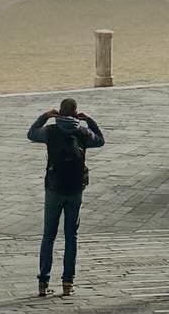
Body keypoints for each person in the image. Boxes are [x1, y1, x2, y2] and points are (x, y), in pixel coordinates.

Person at [28, 97, 105, 298]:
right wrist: (89, 120)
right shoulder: (83, 132)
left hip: (53, 188)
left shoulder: (50, 131)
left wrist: (45, 116)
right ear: (76, 112)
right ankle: (67, 282)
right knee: (71, 236)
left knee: (49, 235)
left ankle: (43, 282)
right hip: (75, 189)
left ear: (59, 113)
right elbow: (101, 140)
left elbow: (31, 134)